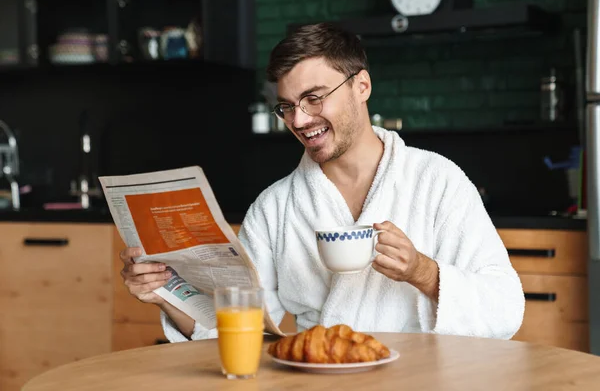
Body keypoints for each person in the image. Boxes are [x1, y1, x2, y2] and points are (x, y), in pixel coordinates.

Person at [119, 23, 525, 342]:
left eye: (314, 98)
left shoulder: (437, 181)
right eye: (287, 107)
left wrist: (423, 272)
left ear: (361, 86)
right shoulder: (275, 207)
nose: (298, 120)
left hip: (420, 377)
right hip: (315, 374)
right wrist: (166, 295)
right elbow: (241, 327)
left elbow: (505, 309)